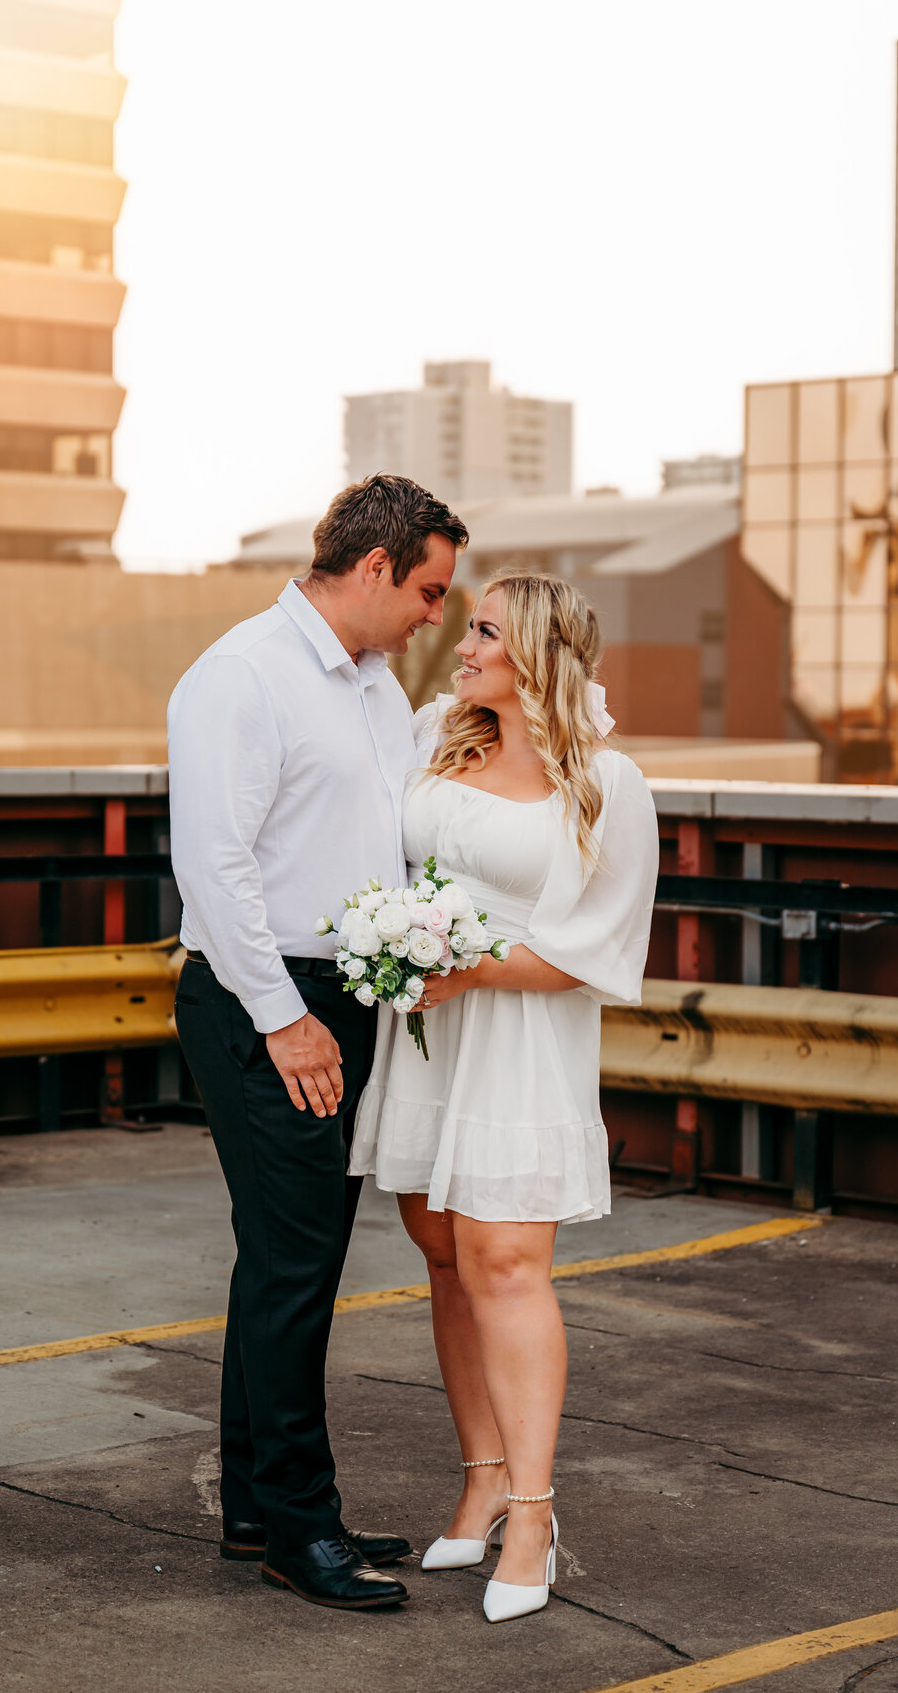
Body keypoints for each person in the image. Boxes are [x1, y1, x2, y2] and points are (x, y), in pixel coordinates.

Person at [167, 474, 468, 1613]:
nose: (437, 614)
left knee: (288, 1260)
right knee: (298, 1268)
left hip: (346, 993)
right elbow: (217, 864)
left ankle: (257, 1503)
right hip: (264, 997)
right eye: (430, 590)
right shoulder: (242, 675)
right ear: (378, 566)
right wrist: (284, 1018)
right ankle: (303, 1525)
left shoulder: (379, 688)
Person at [350, 570, 659, 1622]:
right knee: (443, 1250)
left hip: (521, 1037)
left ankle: (533, 1512)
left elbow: (602, 950)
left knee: (508, 1262)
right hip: (431, 1033)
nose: (462, 645)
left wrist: (468, 965)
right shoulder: (438, 730)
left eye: (483, 630)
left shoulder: (608, 784)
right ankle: (479, 1476)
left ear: (535, 654)